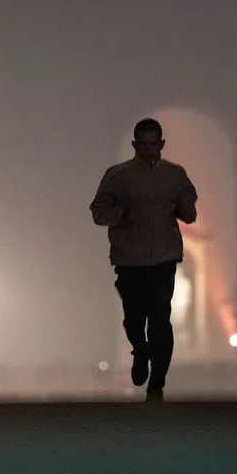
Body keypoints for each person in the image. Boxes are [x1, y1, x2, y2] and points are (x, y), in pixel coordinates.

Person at [90, 118, 198, 401]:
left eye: (155, 143)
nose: (150, 149)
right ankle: (140, 350)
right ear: (135, 145)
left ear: (162, 144)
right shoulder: (118, 176)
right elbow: (98, 211)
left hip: (163, 256)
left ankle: (158, 380)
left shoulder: (175, 175)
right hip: (130, 259)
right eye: (144, 144)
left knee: (161, 318)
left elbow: (189, 205)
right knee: (135, 318)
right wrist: (122, 214)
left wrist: (187, 210)